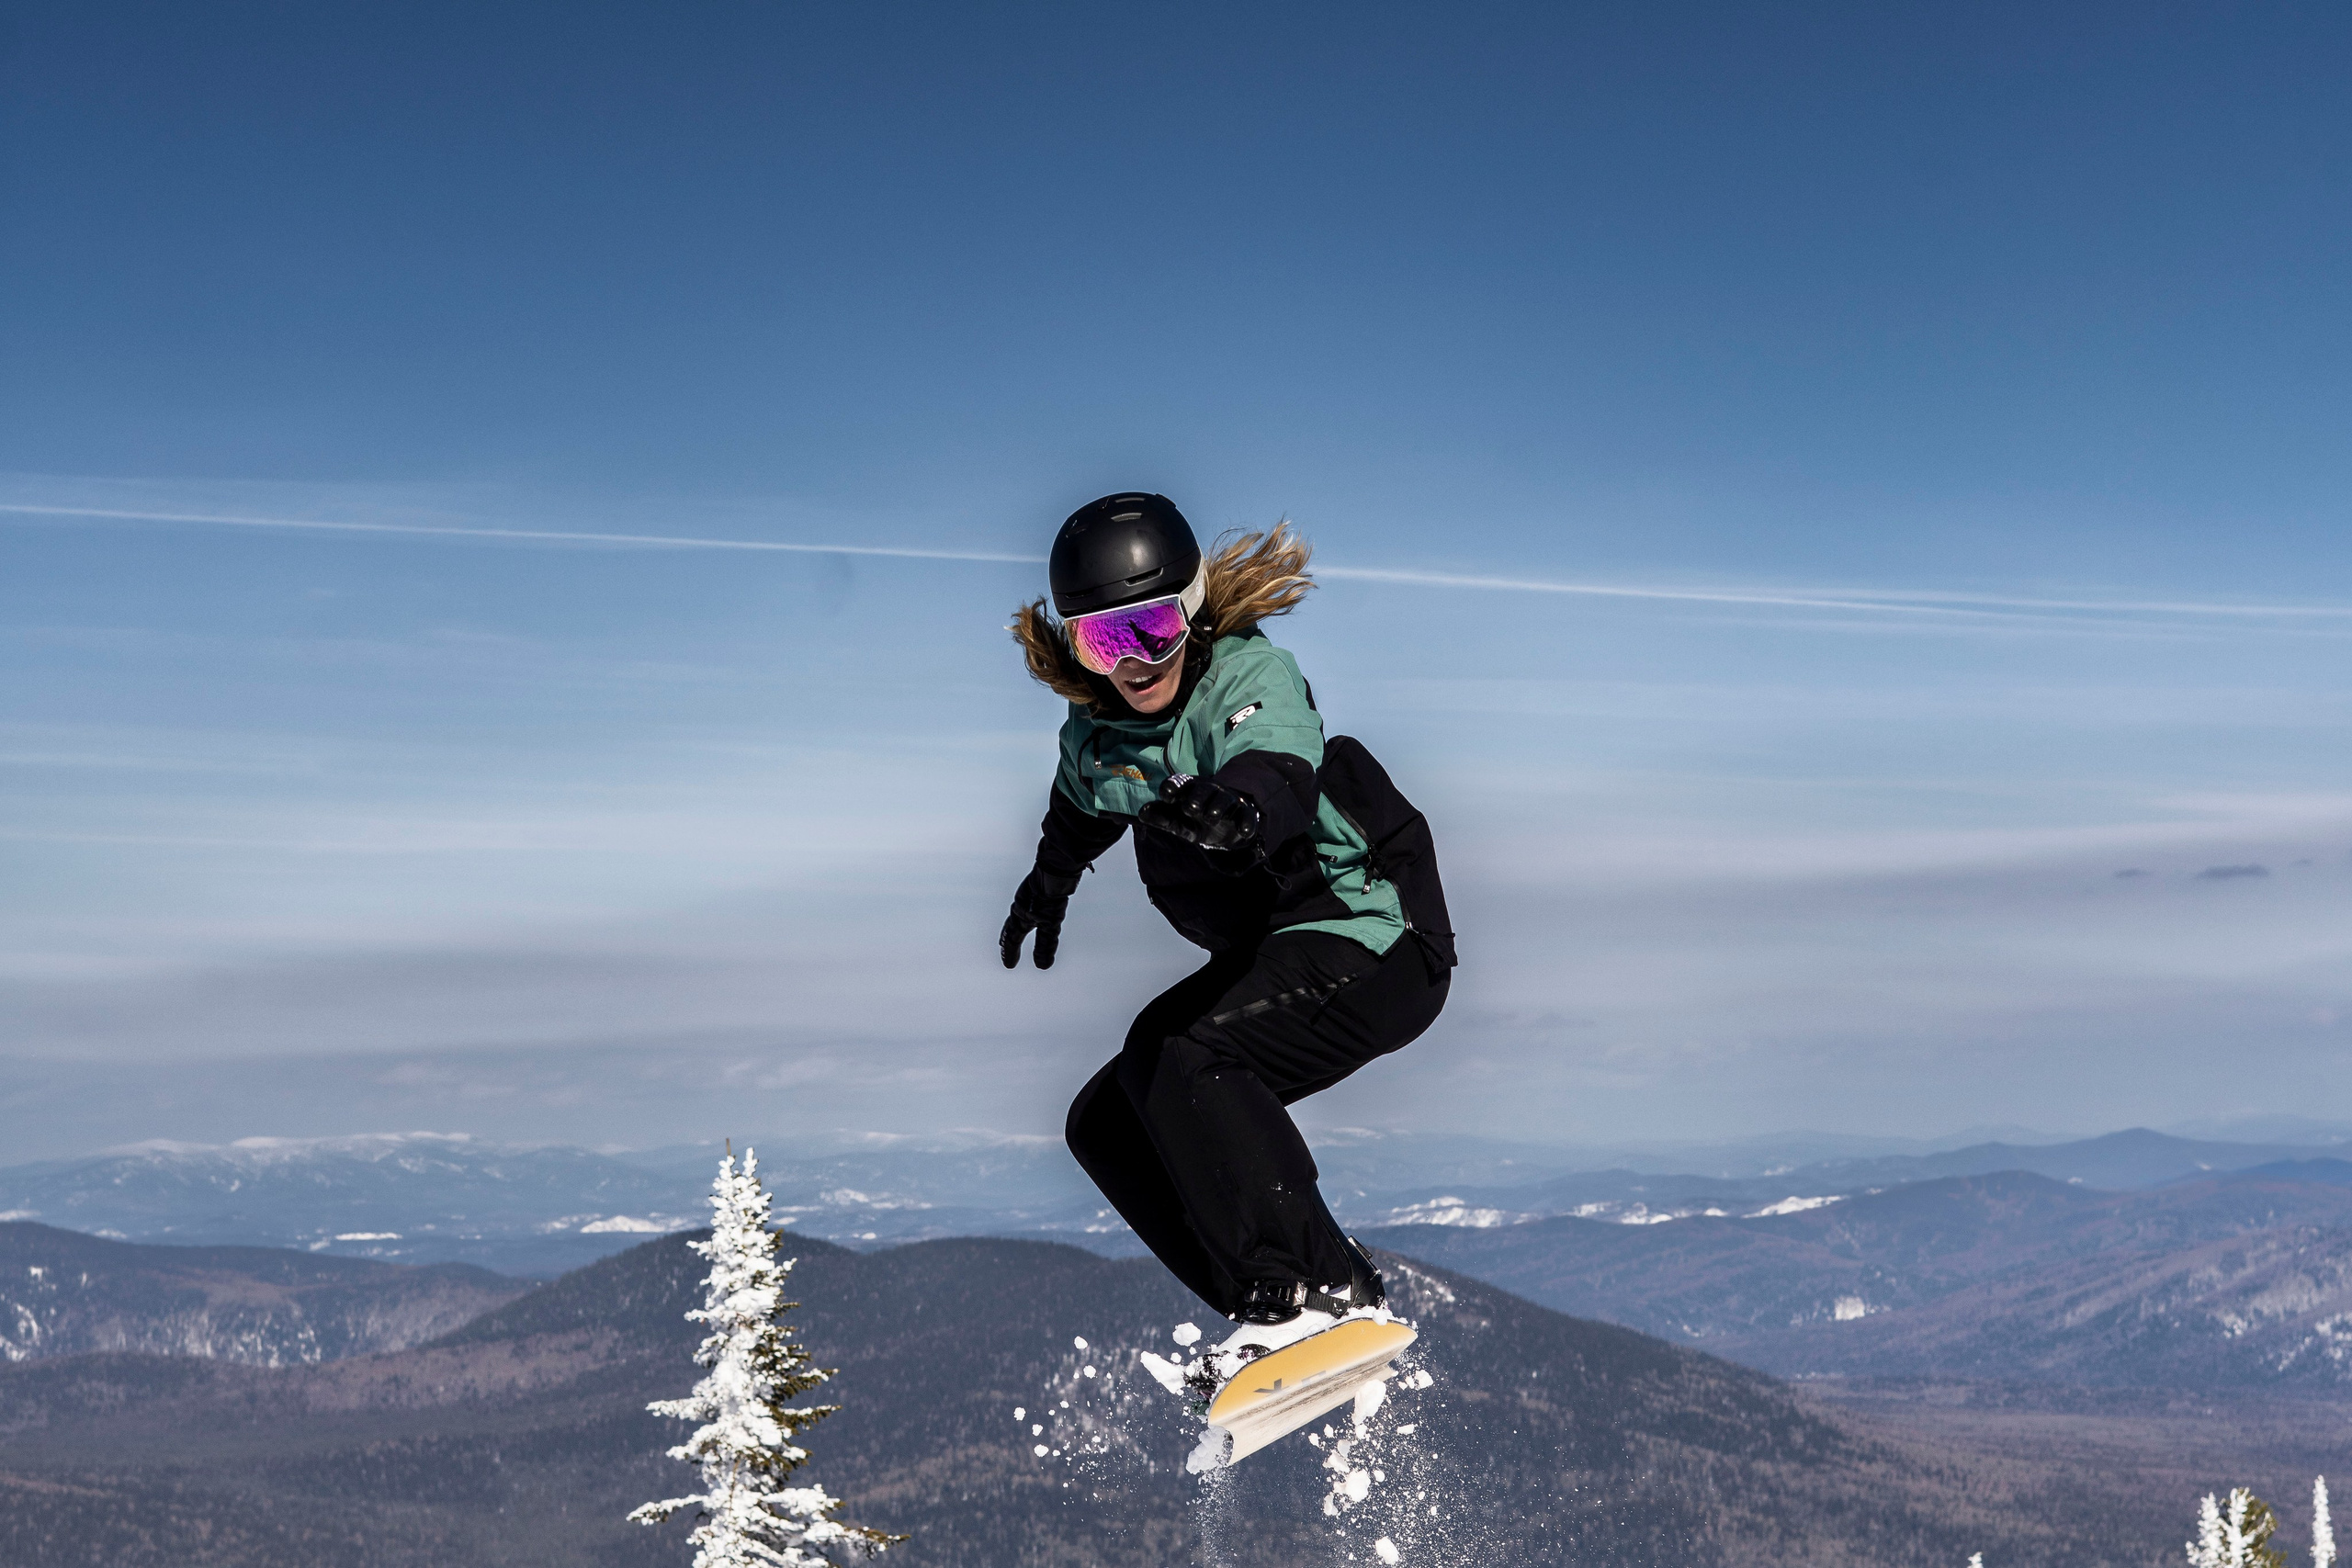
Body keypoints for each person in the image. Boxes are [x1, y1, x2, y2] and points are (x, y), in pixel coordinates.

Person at [1001, 491, 1454, 1348]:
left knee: (1184, 1053)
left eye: (1153, 628)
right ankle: (1266, 1309)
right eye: (1105, 639)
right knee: (1104, 1121)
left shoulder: (1247, 677)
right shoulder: (1100, 733)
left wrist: (1241, 809)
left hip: (1377, 935)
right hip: (1284, 951)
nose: (1133, 662)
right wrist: (1048, 880)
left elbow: (1276, 761)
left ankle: (1323, 1289)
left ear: (1195, 609)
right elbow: (1083, 803)